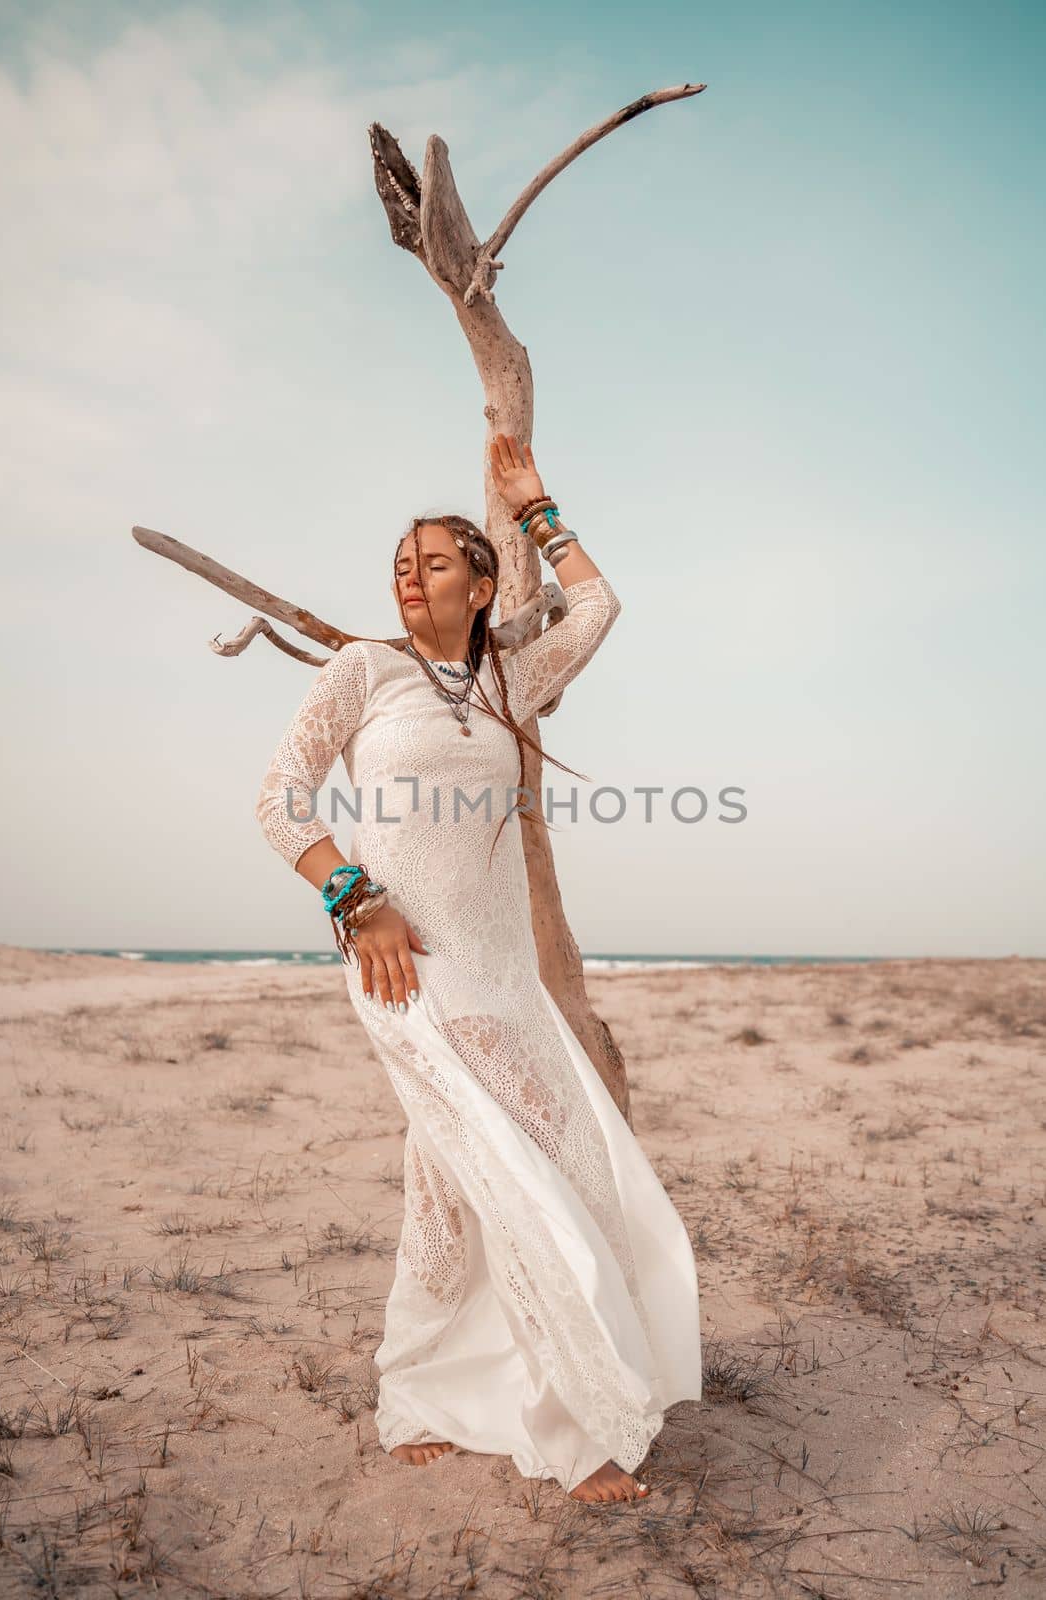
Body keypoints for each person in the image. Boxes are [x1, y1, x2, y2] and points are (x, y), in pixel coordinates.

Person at [255, 434, 701, 1504]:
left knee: (455, 1187)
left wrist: (538, 504)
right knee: (520, 1173)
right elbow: (279, 801)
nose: (409, 574)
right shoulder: (360, 670)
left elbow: (596, 610)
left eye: (435, 561)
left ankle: (418, 1390)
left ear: (484, 581)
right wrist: (352, 898)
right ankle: (578, 1424)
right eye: (400, 562)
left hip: (506, 979)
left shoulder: (508, 674)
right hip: (408, 968)